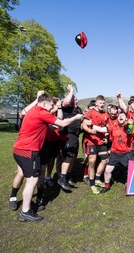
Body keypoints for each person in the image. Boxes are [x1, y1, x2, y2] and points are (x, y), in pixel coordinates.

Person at [12, 93, 83, 222]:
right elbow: (62, 122)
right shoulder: (41, 112)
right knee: (32, 181)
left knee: (30, 178)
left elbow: (47, 127)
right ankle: (25, 211)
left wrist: (55, 125)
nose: (52, 108)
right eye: (51, 105)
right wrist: (76, 117)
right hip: (29, 151)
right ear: (44, 103)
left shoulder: (34, 110)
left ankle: (27, 205)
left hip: (20, 150)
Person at [91, 112, 134, 193]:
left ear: (126, 119)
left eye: (123, 115)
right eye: (119, 115)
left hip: (126, 153)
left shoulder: (130, 128)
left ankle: (130, 184)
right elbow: (101, 129)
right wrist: (92, 125)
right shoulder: (113, 126)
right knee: (108, 170)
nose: (120, 116)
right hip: (115, 153)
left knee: (130, 170)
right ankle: (107, 186)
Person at [81, 95, 110, 194]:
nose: (102, 105)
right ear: (96, 103)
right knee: (92, 162)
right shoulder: (91, 112)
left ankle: (97, 178)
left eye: (103, 103)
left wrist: (106, 138)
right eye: (100, 103)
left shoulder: (106, 114)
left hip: (101, 141)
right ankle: (92, 184)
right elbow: (84, 124)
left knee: (105, 160)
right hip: (91, 141)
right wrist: (90, 130)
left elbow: (107, 128)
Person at [57, 85, 83, 191]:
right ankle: (62, 178)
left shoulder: (78, 109)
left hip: (76, 135)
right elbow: (66, 102)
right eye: (74, 98)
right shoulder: (67, 107)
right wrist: (71, 91)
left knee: (73, 157)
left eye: (76, 98)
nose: (75, 99)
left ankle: (68, 176)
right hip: (68, 134)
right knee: (68, 156)